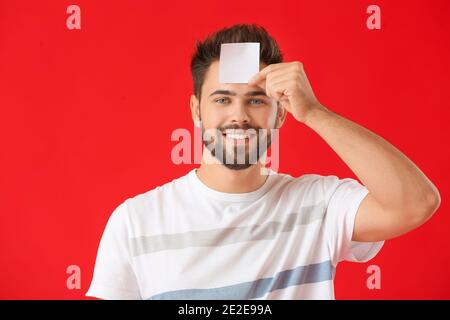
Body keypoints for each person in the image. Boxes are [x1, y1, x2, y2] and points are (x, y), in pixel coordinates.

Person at [86, 24, 440, 300]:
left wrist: (314, 112)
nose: (239, 116)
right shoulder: (135, 221)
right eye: (222, 100)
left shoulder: (319, 204)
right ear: (196, 110)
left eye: (256, 101)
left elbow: (416, 203)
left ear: (281, 113)